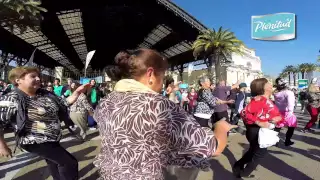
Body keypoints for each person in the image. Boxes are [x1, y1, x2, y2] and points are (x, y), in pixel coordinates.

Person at [97, 49, 236, 180]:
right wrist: (221, 127)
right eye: (162, 77)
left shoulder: (106, 102)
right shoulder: (160, 106)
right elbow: (213, 148)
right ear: (150, 74)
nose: (162, 84)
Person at [0, 66, 90, 179]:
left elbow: (64, 102)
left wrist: (77, 92)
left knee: (54, 162)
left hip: (52, 138)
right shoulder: (10, 99)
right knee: (69, 162)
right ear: (18, 80)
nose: (38, 79)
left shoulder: (45, 94)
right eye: (33, 76)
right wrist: (2, 146)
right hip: (34, 141)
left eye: (38, 76)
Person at [233, 78, 282, 178]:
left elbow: (274, 114)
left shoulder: (267, 99)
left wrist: (278, 118)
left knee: (253, 151)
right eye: (268, 83)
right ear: (263, 87)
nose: (271, 84)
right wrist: (258, 122)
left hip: (261, 130)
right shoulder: (259, 99)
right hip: (256, 130)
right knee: (260, 153)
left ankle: (238, 166)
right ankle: (244, 173)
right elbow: (244, 112)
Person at [273, 78, 297, 146]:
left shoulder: (276, 93)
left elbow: (276, 103)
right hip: (287, 112)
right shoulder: (289, 92)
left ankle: (274, 141)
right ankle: (287, 141)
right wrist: (290, 112)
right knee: (291, 127)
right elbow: (291, 104)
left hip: (279, 112)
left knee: (278, 127)